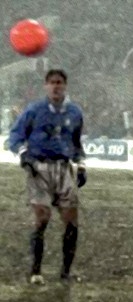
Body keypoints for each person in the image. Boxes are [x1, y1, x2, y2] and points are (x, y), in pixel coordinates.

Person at [8, 69, 87, 284]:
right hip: (39, 168)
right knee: (42, 218)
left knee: (71, 222)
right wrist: (23, 154)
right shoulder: (34, 110)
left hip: (63, 169)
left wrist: (81, 164)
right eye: (52, 83)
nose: (56, 87)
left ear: (65, 86)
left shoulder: (74, 112)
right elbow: (14, 136)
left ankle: (66, 272)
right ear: (46, 86)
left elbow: (77, 143)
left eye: (59, 83)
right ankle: (36, 271)